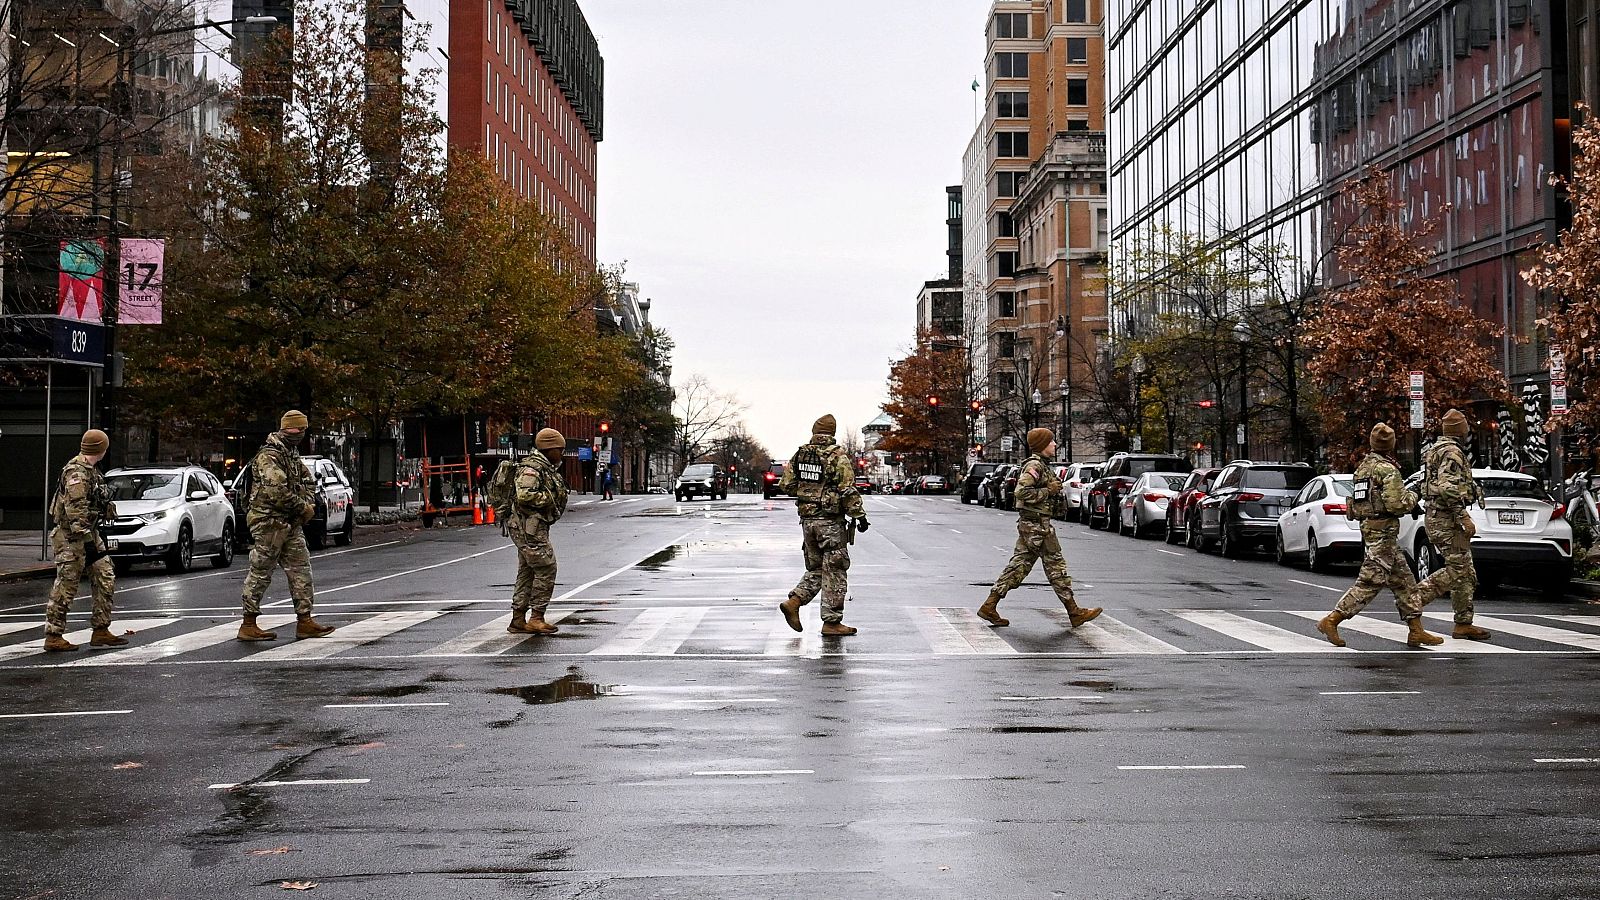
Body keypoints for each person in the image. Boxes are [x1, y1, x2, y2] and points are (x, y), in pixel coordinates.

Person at [1316, 422, 1442, 648]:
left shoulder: (1363, 468)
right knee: (1370, 582)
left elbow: (1360, 502)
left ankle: (1416, 630)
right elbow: (1397, 504)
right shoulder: (1387, 470)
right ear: (1390, 445)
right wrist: (1414, 496)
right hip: (1383, 534)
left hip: (1374, 531)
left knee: (1405, 582)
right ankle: (1332, 620)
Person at [977, 428, 1102, 629]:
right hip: (1037, 526)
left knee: (1020, 566)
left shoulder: (1041, 465)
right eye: (1051, 442)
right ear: (1043, 444)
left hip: (1035, 525)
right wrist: (1048, 490)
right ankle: (1074, 612)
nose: (1054, 445)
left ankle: (989, 605)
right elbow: (1021, 492)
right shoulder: (1034, 465)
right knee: (1055, 567)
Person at [237, 410, 335, 641]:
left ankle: (305, 620)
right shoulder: (269, 456)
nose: (299, 433)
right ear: (285, 428)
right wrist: (303, 508)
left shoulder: (290, 453)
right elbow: (276, 491)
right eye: (296, 429)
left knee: (301, 570)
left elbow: (308, 481)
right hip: (269, 523)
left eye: (302, 429)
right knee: (261, 572)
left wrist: (307, 503)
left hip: (290, 523)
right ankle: (248, 623)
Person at [777, 414, 867, 636]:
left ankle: (795, 602)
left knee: (817, 568)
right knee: (835, 569)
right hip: (829, 522)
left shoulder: (801, 454)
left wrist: (808, 493)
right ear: (832, 433)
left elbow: (786, 484)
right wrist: (859, 515)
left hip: (807, 522)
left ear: (814, 431)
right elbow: (847, 489)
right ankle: (832, 622)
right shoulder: (837, 456)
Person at [42, 429, 125, 652]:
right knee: (67, 584)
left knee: (105, 574)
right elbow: (75, 511)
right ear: (100, 448)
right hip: (71, 537)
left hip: (90, 533)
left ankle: (101, 630)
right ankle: (53, 634)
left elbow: (93, 503)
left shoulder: (93, 471)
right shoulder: (76, 473)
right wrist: (88, 541)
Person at [1412, 409, 1492, 640]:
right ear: (1460, 430)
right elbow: (1448, 487)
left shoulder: (1435, 450)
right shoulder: (1452, 452)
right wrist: (1463, 516)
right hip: (1446, 520)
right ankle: (1413, 599)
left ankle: (1463, 622)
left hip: (1440, 517)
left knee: (1466, 571)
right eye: (1465, 425)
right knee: (1458, 570)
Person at [508, 428, 569, 635]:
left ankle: (518, 619)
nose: (561, 454)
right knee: (546, 567)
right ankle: (536, 617)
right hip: (529, 528)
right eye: (559, 450)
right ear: (549, 448)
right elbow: (525, 495)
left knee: (527, 570)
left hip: (530, 527)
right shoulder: (533, 468)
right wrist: (549, 499)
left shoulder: (543, 467)